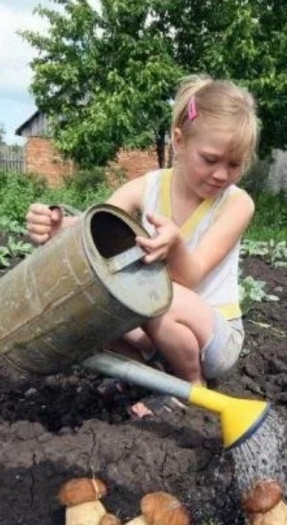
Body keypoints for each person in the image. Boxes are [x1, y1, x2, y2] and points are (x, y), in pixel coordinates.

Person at [25, 75, 259, 416]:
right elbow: (95, 230)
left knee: (160, 296)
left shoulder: (236, 204)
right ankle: (146, 379)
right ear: (179, 142)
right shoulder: (146, 188)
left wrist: (176, 246)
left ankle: (191, 385)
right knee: (99, 306)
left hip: (215, 338)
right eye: (210, 160)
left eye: (234, 164)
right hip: (158, 327)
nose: (221, 174)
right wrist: (57, 226)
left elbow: (190, 277)